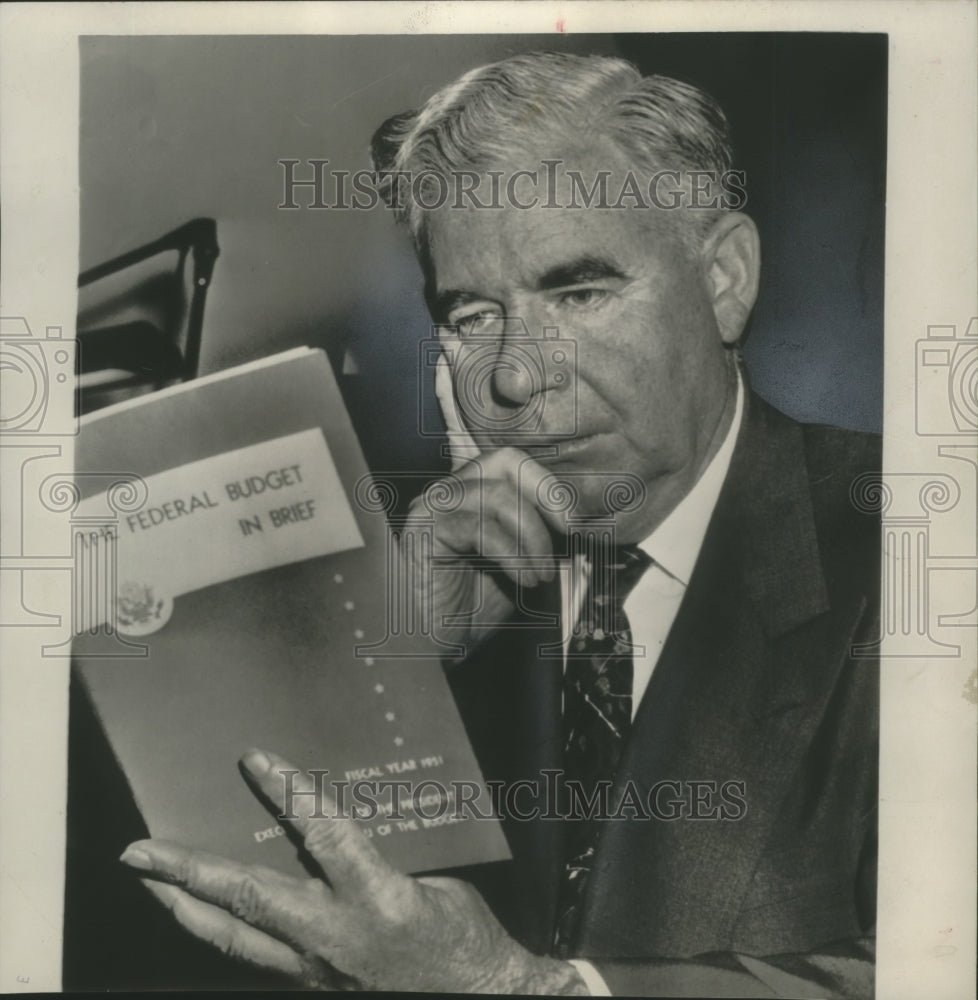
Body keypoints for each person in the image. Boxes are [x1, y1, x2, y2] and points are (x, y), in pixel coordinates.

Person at [119, 52, 880, 996]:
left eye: (579, 293)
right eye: (473, 317)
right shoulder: (439, 596)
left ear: (725, 277)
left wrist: (519, 989)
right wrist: (399, 664)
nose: (517, 376)